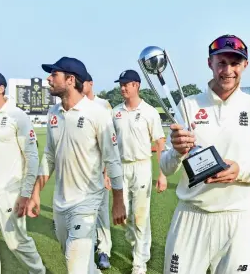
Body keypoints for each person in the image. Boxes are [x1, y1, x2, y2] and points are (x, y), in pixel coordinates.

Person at [160, 34, 250, 274]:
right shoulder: (188, 106)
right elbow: (166, 168)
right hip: (191, 216)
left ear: (245, 65)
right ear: (210, 64)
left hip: (238, 219)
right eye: (221, 62)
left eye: (235, 63)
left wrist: (241, 171)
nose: (228, 70)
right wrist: (176, 151)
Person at [26, 57, 126, 274]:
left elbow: (112, 159)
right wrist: (35, 193)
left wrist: (118, 200)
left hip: (88, 201)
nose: (48, 79)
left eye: (54, 75)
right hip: (61, 203)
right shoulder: (54, 114)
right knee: (82, 264)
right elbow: (49, 157)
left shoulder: (98, 114)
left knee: (75, 266)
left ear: (70, 80)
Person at [0, 70, 46, 274]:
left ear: (0, 89)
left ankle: (38, 272)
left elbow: (31, 157)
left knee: (17, 244)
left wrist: (25, 194)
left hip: (8, 192)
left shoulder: (17, 115)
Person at [112, 69, 167, 274]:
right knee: (123, 216)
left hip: (142, 166)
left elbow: (160, 142)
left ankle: (139, 262)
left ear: (137, 85)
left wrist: (162, 174)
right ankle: (137, 244)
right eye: (121, 84)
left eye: (126, 84)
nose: (123, 87)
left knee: (140, 216)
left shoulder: (149, 111)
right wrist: (107, 172)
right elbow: (110, 144)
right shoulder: (115, 112)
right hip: (120, 167)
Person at [83, 72, 113, 269]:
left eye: (82, 82)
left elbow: (110, 142)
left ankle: (104, 250)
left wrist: (107, 172)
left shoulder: (104, 105)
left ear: (91, 84)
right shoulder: (72, 107)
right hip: (80, 171)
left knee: (101, 211)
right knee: (83, 212)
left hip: (100, 168)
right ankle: (89, 245)